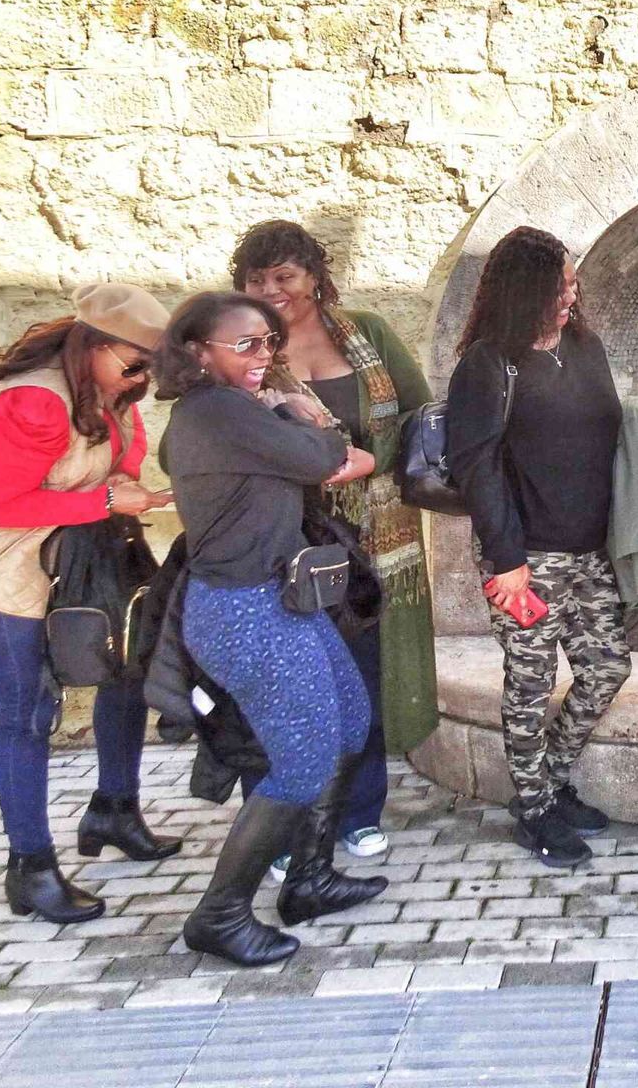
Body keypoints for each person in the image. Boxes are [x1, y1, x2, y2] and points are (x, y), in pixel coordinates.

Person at [0, 284, 179, 924]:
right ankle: (31, 869)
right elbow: (3, 506)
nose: (143, 377)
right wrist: (105, 501)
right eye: (134, 362)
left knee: (127, 666)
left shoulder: (114, 392)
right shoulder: (34, 401)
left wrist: (124, 488)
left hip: (75, 551)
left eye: (152, 365)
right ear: (92, 345)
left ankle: (115, 810)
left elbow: (110, 467)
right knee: (29, 707)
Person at [157, 292, 385, 967]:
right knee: (305, 756)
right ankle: (219, 914)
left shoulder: (224, 411)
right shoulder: (217, 410)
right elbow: (325, 455)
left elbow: (319, 450)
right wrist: (299, 418)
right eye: (246, 345)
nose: (264, 357)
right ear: (199, 352)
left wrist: (301, 429)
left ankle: (309, 880)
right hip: (244, 610)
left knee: (348, 719)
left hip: (278, 600)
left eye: (268, 344)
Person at [232, 220, 436, 866]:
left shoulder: (366, 332)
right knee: (289, 685)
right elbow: (222, 430)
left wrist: (372, 463)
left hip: (376, 542)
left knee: (362, 677)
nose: (273, 291)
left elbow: (419, 412)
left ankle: (356, 812)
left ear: (315, 276)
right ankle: (284, 828)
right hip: (287, 541)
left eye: (285, 277)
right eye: (257, 281)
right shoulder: (244, 347)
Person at [446, 227, 629, 869]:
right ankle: (536, 809)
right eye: (559, 286)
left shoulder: (584, 347)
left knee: (608, 667)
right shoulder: (488, 362)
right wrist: (507, 560)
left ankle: (545, 785)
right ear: (525, 290)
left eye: (574, 283)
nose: (571, 296)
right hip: (524, 556)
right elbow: (475, 465)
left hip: (586, 550)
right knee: (531, 680)